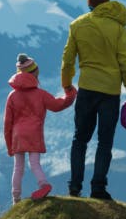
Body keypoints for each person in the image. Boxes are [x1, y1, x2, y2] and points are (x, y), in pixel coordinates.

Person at [61, 0, 126, 200]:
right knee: (105, 142)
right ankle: (98, 188)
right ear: (107, 1)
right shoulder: (119, 28)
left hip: (87, 89)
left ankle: (74, 186)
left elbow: (68, 60)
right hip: (110, 92)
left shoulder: (77, 25)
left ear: (89, 3)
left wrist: (66, 84)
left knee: (80, 139)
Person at [4, 53, 76, 204]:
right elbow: (57, 105)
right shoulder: (40, 94)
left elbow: (7, 123)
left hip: (17, 135)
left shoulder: (12, 96)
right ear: (35, 73)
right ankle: (43, 184)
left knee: (18, 167)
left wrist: (9, 145)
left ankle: (16, 198)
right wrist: (70, 94)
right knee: (35, 163)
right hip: (34, 133)